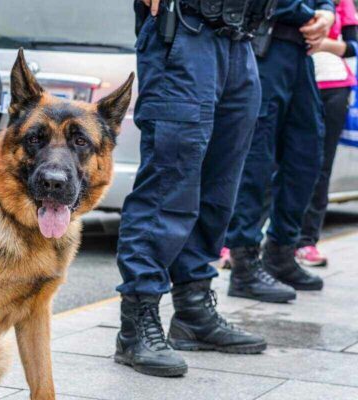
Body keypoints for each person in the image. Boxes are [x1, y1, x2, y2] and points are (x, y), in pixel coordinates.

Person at [115, 0, 273, 378]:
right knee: (169, 183)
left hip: (241, 39)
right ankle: (137, 323)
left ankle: (193, 309)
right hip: (186, 28)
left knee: (220, 187)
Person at [226, 0, 335, 301]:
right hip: (264, 47)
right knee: (256, 162)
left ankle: (281, 252)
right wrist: (311, 15)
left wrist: (327, 12)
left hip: (300, 54)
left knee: (307, 155)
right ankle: (244, 265)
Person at [297, 0, 358, 266]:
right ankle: (244, 242)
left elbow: (353, 46)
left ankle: (307, 241)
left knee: (321, 166)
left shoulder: (342, 3)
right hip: (292, 79)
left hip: (333, 87)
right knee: (274, 162)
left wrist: (323, 44)